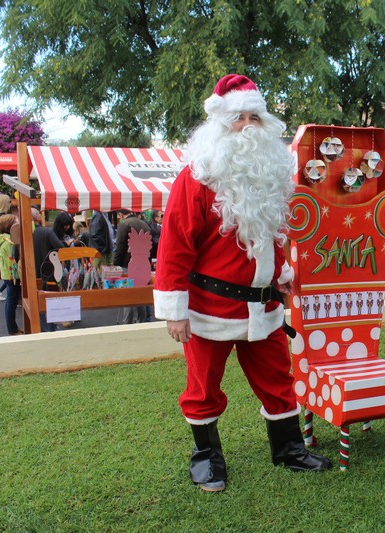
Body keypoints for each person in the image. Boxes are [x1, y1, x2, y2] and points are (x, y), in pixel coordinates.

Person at [154, 73, 330, 493]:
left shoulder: (270, 177)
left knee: (278, 379)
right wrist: (175, 311)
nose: (248, 126)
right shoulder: (196, 178)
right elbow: (175, 245)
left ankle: (288, 449)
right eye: (239, 118)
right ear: (220, 124)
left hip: (264, 307)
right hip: (209, 309)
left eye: (255, 117)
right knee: (202, 387)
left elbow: (274, 234)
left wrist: (282, 275)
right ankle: (206, 457)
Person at [32, 208, 67, 331]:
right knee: (49, 299)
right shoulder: (47, 232)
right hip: (49, 272)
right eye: (39, 214)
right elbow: (61, 248)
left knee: (37, 301)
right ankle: (50, 328)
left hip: (31, 273)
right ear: (36, 217)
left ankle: (43, 327)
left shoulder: (25, 233)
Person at [114, 209, 152, 324]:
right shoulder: (144, 224)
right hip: (143, 263)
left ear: (121, 215)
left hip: (127, 263)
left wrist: (116, 264)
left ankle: (128, 322)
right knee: (140, 294)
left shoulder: (124, 225)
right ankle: (142, 321)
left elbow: (120, 247)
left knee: (128, 294)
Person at [0, 213, 22, 335]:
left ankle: (13, 328)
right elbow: (14, 261)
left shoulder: (3, 239)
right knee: (11, 302)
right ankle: (12, 329)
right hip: (12, 276)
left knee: (11, 301)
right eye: (16, 223)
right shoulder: (9, 242)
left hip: (7, 275)